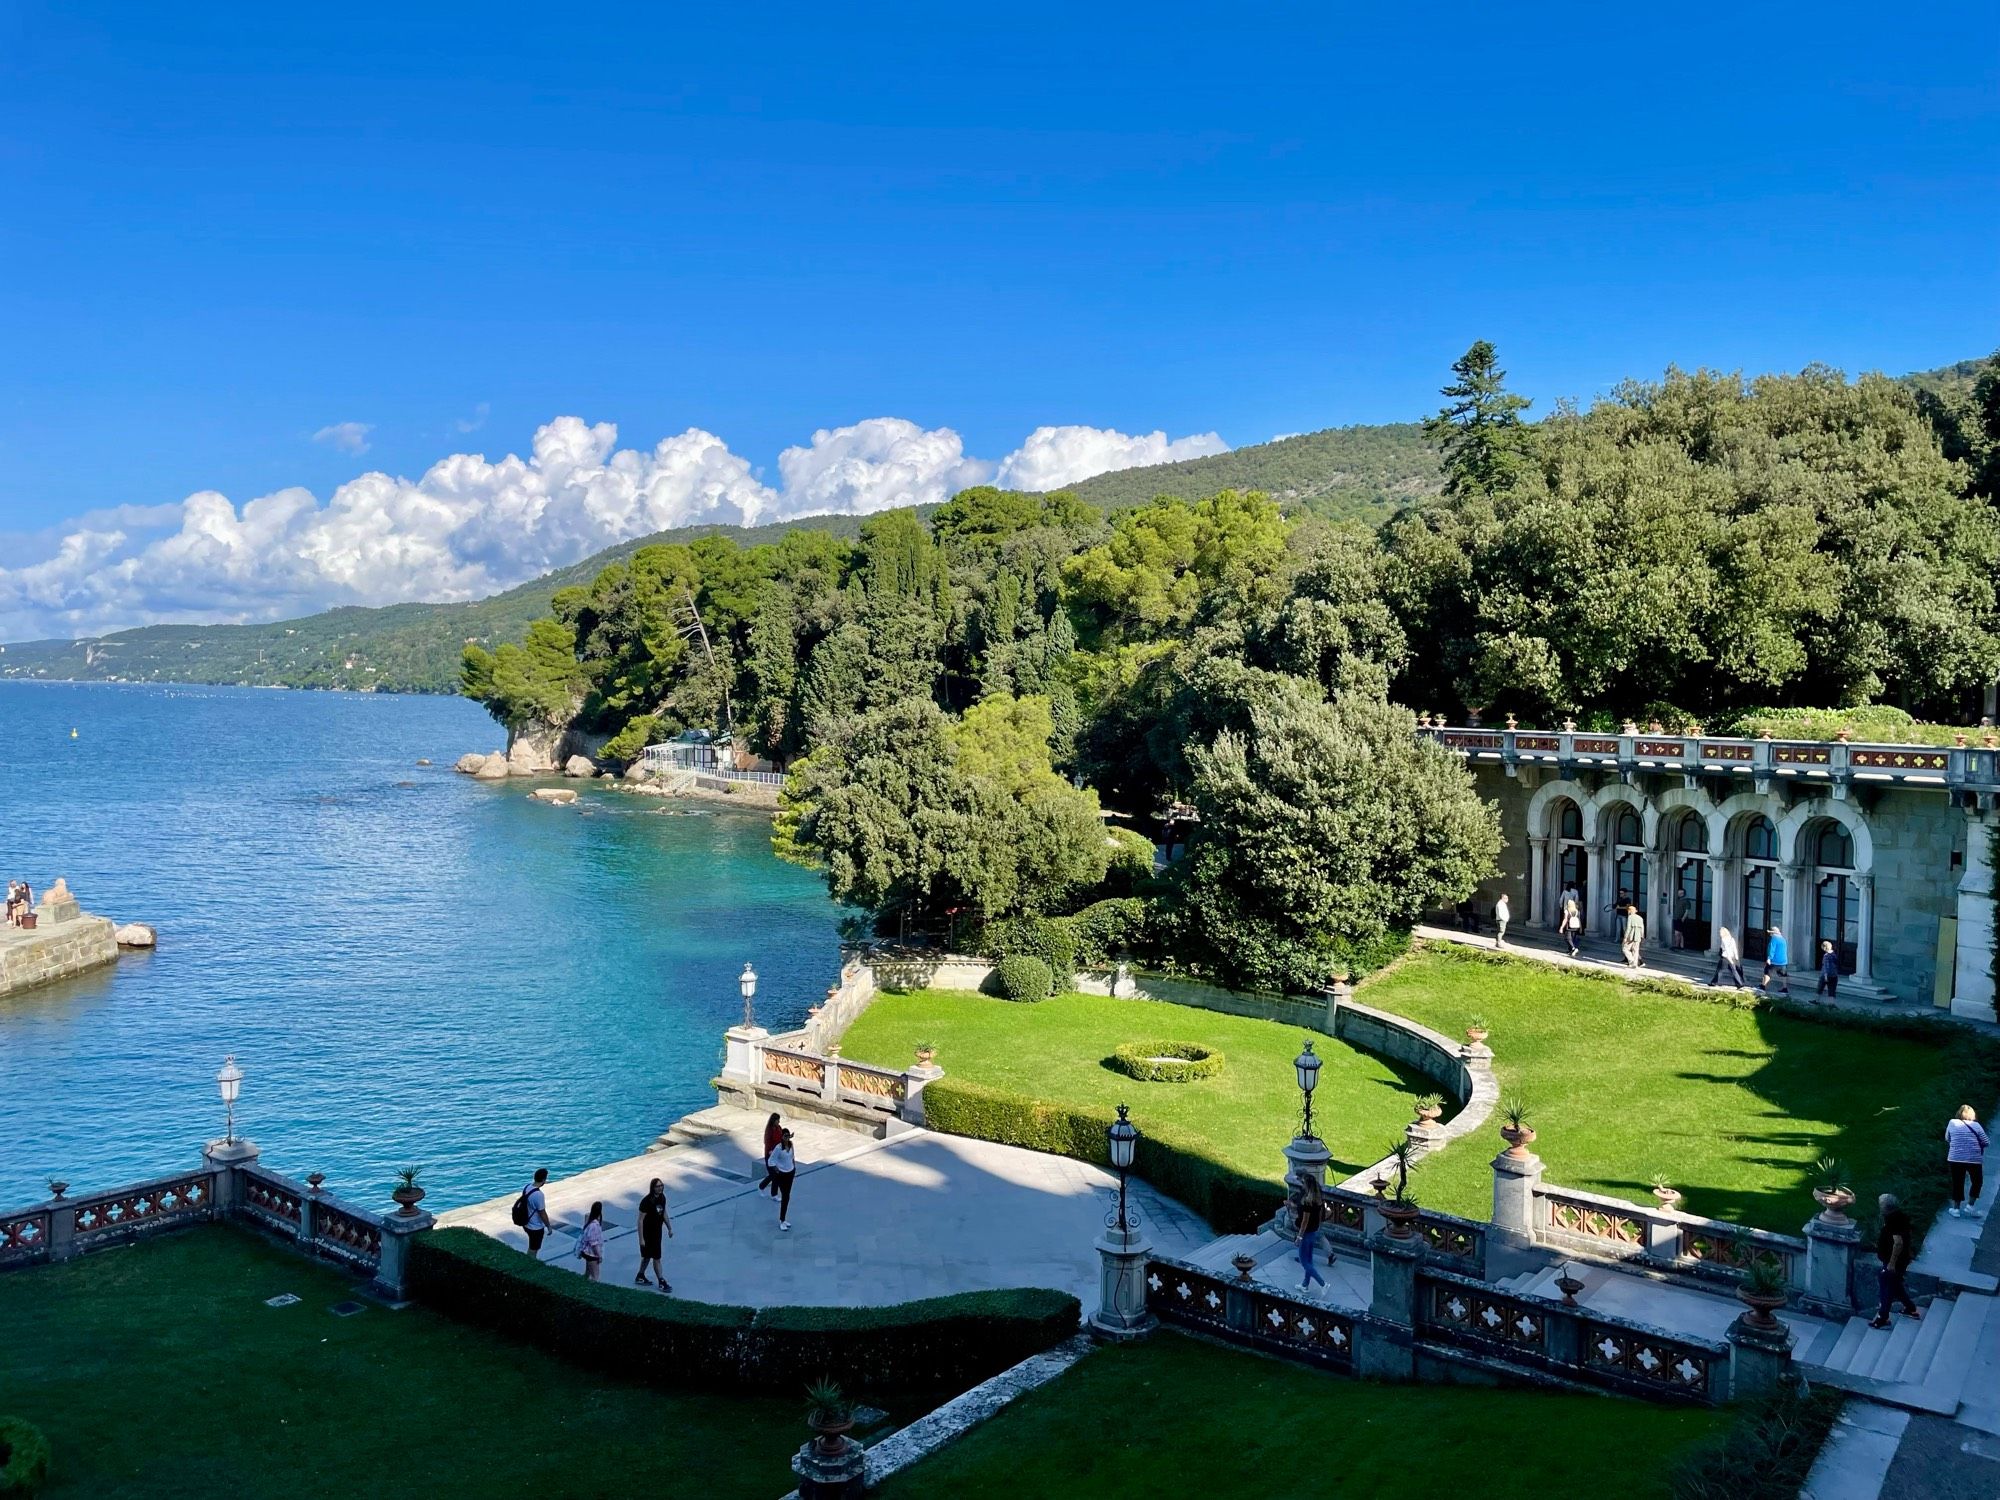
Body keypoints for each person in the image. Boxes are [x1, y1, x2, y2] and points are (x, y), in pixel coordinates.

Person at [1869, 1192, 1920, 1329]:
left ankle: (1883, 1317)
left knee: (1886, 1288)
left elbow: (1898, 1243)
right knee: (1894, 1285)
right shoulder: (1899, 1216)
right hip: (1899, 1261)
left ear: (1886, 1207)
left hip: (1894, 1263)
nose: (1879, 1207)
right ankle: (1910, 1308)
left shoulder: (1893, 1221)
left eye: (1880, 1204)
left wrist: (1891, 1263)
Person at [1947, 1105, 1990, 1219]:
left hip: (1955, 1158)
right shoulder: (1976, 1125)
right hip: (1974, 1159)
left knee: (1958, 1182)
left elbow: (1947, 1138)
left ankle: (1956, 1209)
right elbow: (1986, 1142)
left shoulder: (1952, 1122)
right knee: (1977, 1181)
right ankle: (1970, 1206)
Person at [636, 1177, 673, 1289]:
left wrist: (669, 1228)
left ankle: (640, 1276)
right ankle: (661, 1281)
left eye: (661, 1185)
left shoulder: (662, 1198)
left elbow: (664, 1213)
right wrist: (641, 1238)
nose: (660, 1188)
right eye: (658, 1186)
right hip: (648, 1234)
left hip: (657, 1232)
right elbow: (640, 1220)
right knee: (653, 1257)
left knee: (650, 1257)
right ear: (653, 1188)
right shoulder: (646, 1201)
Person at [1295, 1176, 1328, 1291]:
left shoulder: (1307, 1202)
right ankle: (1305, 1284)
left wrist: (1299, 1236)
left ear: (1307, 1185)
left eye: (1303, 1183)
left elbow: (1304, 1222)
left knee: (1304, 1262)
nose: (1302, 1185)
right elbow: (1319, 1216)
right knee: (1309, 1260)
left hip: (1306, 1234)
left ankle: (1323, 1284)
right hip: (1313, 1232)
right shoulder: (1318, 1200)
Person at [767, 1130, 797, 1230]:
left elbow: (792, 1156)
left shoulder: (791, 1144)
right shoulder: (778, 1148)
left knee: (787, 1196)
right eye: (785, 1136)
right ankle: (782, 1220)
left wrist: (794, 1167)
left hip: (790, 1173)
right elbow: (771, 1161)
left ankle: (783, 1219)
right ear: (781, 1137)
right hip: (782, 1174)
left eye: (788, 1136)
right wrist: (776, 1170)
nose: (787, 1138)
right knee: (785, 1196)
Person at [518, 1167, 551, 1258]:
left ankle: (529, 1260)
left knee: (532, 1246)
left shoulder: (527, 1187)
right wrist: (548, 1226)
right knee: (534, 1249)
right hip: (535, 1227)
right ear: (544, 1180)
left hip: (526, 1223)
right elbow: (542, 1213)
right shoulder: (539, 1195)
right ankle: (530, 1264)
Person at [577, 1200, 606, 1282]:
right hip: (592, 1254)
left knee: (587, 1273)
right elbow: (594, 1243)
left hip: (587, 1252)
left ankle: (582, 1285)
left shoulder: (589, 1221)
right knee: (595, 1277)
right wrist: (599, 1256)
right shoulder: (595, 1225)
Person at [1760, 926, 1791, 995]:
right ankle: (1785, 988)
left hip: (1774, 960)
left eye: (1770, 933)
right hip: (1783, 960)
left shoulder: (1774, 939)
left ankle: (1763, 986)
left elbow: (1772, 949)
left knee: (1767, 973)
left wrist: (1769, 958)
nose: (1770, 935)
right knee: (1783, 975)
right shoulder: (1783, 939)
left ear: (1773, 933)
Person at [758, 1112, 783, 1195]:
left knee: (775, 1175)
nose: (779, 1122)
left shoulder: (779, 1128)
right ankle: (773, 1194)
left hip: (777, 1155)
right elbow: (767, 1142)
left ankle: (762, 1187)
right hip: (770, 1155)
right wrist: (770, 1151)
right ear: (773, 1121)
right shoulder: (769, 1130)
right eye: (777, 1120)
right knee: (774, 1175)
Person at [1620, 899, 1645, 969]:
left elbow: (1628, 928)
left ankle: (1631, 961)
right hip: (1638, 936)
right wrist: (1642, 936)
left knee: (1625, 949)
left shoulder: (1630, 917)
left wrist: (1625, 938)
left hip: (1631, 935)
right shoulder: (1640, 918)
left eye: (1628, 910)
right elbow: (1642, 928)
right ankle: (1635, 964)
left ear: (1629, 911)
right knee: (1635, 950)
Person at [1560, 893, 1583, 958]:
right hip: (1576, 927)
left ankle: (1574, 948)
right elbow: (1579, 920)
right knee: (1572, 938)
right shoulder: (1577, 911)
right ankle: (1570, 950)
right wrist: (1581, 928)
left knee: (1567, 938)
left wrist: (1561, 927)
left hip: (1570, 927)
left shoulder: (1567, 911)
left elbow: (1565, 919)